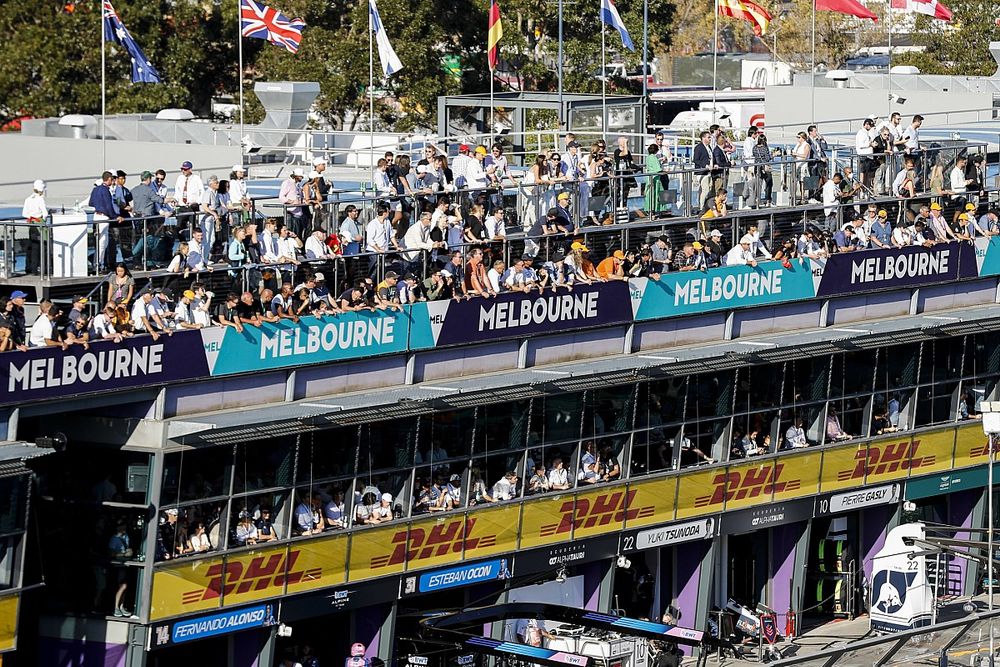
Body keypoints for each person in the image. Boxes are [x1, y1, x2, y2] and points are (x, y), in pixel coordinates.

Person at [21, 179, 47, 274]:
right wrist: (42, 218)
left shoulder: (28, 199)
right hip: (39, 223)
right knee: (43, 246)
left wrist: (31, 217)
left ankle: (33, 269)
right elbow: (45, 213)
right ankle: (44, 269)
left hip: (31, 224)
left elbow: (24, 213)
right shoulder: (40, 199)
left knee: (33, 246)